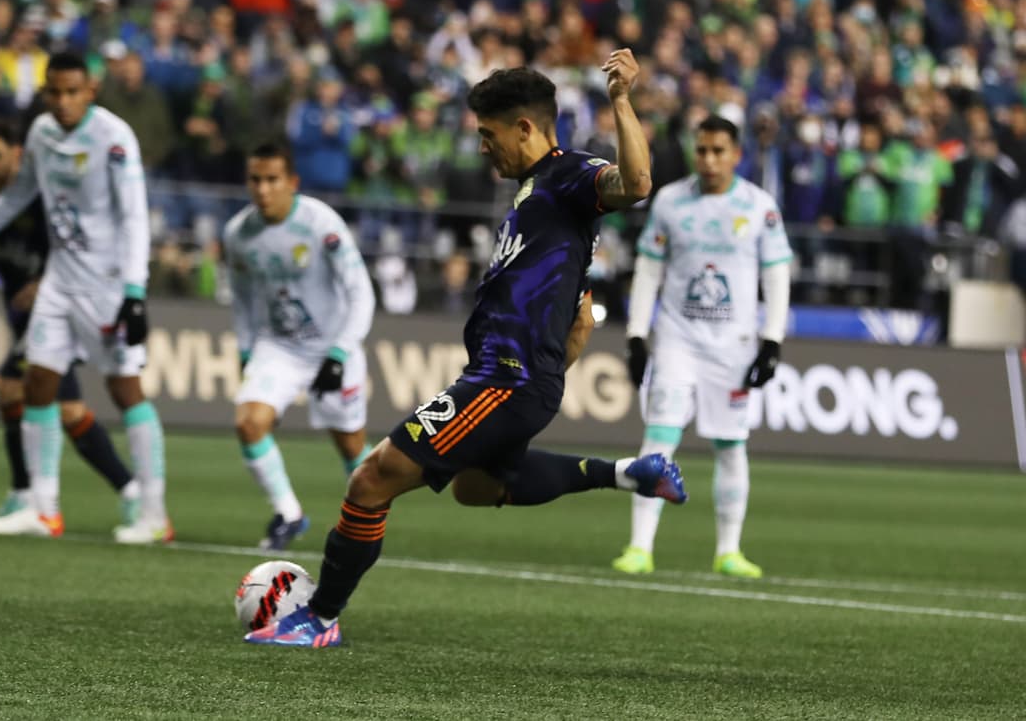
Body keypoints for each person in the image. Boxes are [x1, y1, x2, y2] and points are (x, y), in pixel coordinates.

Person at [245, 56, 687, 648]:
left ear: (525, 129)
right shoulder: (539, 206)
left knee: (372, 480)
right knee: (475, 487)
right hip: (518, 381)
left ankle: (320, 617)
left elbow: (634, 186)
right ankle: (627, 473)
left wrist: (623, 102)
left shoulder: (569, 176)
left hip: (504, 379)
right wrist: (544, 381)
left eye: (489, 134)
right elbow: (580, 320)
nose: (483, 148)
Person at [0, 53, 172, 544]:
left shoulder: (114, 138)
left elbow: (135, 218)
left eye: (71, 92)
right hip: (59, 278)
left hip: (106, 281)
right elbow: (18, 195)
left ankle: (153, 514)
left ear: (91, 90)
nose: (62, 102)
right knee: (37, 381)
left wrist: (135, 293)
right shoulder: (39, 133)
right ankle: (43, 510)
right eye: (53, 92)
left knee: (125, 391)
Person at [614, 114, 792, 579]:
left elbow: (776, 275)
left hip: (733, 344)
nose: (710, 160)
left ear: (737, 154)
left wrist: (772, 340)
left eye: (719, 151)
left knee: (732, 446)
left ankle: (729, 551)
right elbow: (648, 270)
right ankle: (639, 548)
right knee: (660, 437)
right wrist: (637, 334)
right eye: (703, 150)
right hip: (678, 340)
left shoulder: (758, 206)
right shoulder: (670, 202)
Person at [223, 141, 376, 551]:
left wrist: (342, 351)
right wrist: (244, 350)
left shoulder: (320, 223)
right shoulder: (238, 234)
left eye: (272, 179)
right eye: (255, 179)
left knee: (351, 448)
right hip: (281, 347)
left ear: (292, 182)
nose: (263, 189)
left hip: (332, 345)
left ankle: (368, 520)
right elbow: (241, 299)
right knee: (248, 423)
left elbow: (361, 291)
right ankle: (288, 514)